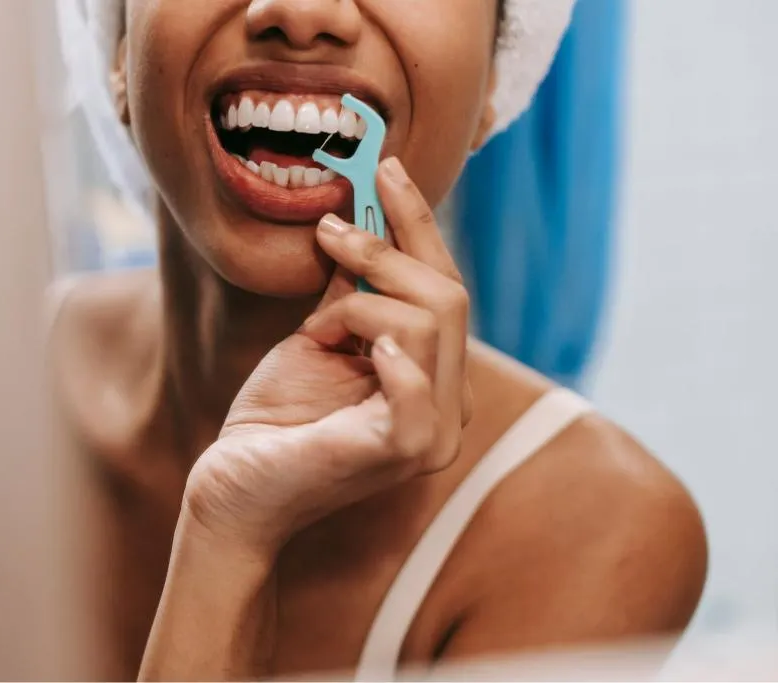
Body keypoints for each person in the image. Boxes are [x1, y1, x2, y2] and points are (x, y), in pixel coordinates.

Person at [49, 0, 708, 679]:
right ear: (119, 47)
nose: (302, 13)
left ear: (494, 77)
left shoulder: (602, 534)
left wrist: (232, 532)